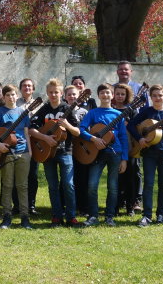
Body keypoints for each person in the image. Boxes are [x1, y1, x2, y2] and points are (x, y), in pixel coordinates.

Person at [29, 79, 82, 227]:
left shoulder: (67, 108)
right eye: (51, 92)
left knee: (69, 184)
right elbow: (32, 129)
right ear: (47, 93)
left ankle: (71, 217)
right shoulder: (44, 109)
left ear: (61, 93)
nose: (53, 95)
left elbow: (77, 132)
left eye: (56, 92)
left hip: (65, 151)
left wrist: (67, 125)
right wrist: (45, 137)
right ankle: (56, 217)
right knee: (52, 185)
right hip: (47, 153)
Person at [79, 83, 128, 227]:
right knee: (92, 185)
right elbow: (82, 129)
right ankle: (93, 215)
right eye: (102, 93)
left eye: (108, 93)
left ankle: (109, 216)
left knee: (112, 186)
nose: (105, 95)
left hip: (115, 152)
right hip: (96, 153)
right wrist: (93, 139)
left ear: (112, 95)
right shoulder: (93, 113)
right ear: (98, 95)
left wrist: (124, 159)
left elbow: (124, 138)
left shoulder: (118, 115)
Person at [128, 84, 163, 226]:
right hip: (149, 152)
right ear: (151, 97)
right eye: (154, 95)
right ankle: (147, 215)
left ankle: (161, 214)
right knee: (148, 184)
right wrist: (140, 138)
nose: (157, 98)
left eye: (160, 95)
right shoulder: (146, 112)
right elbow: (131, 125)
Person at [0, 84, 33, 229]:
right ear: (4, 97)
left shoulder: (23, 112)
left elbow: (26, 132)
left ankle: (25, 217)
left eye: (13, 95)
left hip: (23, 152)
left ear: (17, 96)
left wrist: (29, 152)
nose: (11, 97)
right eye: (8, 95)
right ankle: (7, 216)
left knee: (22, 185)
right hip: (6, 153)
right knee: (7, 185)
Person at [112, 83, 139, 216]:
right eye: (118, 94)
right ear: (113, 94)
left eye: (123, 94)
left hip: (130, 148)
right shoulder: (110, 109)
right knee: (116, 179)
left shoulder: (132, 110)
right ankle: (115, 206)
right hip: (115, 148)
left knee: (131, 178)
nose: (120, 96)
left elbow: (137, 128)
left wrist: (129, 125)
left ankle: (130, 207)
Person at [64, 85, 89, 216]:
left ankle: (82, 206)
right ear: (65, 96)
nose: (72, 97)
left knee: (81, 177)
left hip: (80, 148)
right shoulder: (63, 110)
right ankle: (65, 206)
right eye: (69, 94)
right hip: (66, 148)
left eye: (74, 94)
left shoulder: (84, 112)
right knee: (67, 178)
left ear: (79, 96)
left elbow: (86, 129)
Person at [15, 78, 38, 216]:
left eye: (29, 86)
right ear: (20, 88)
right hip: (18, 143)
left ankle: (31, 205)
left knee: (33, 175)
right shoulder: (15, 103)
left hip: (35, 143)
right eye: (24, 86)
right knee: (16, 176)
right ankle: (16, 205)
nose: (27, 88)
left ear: (33, 89)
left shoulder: (40, 105)